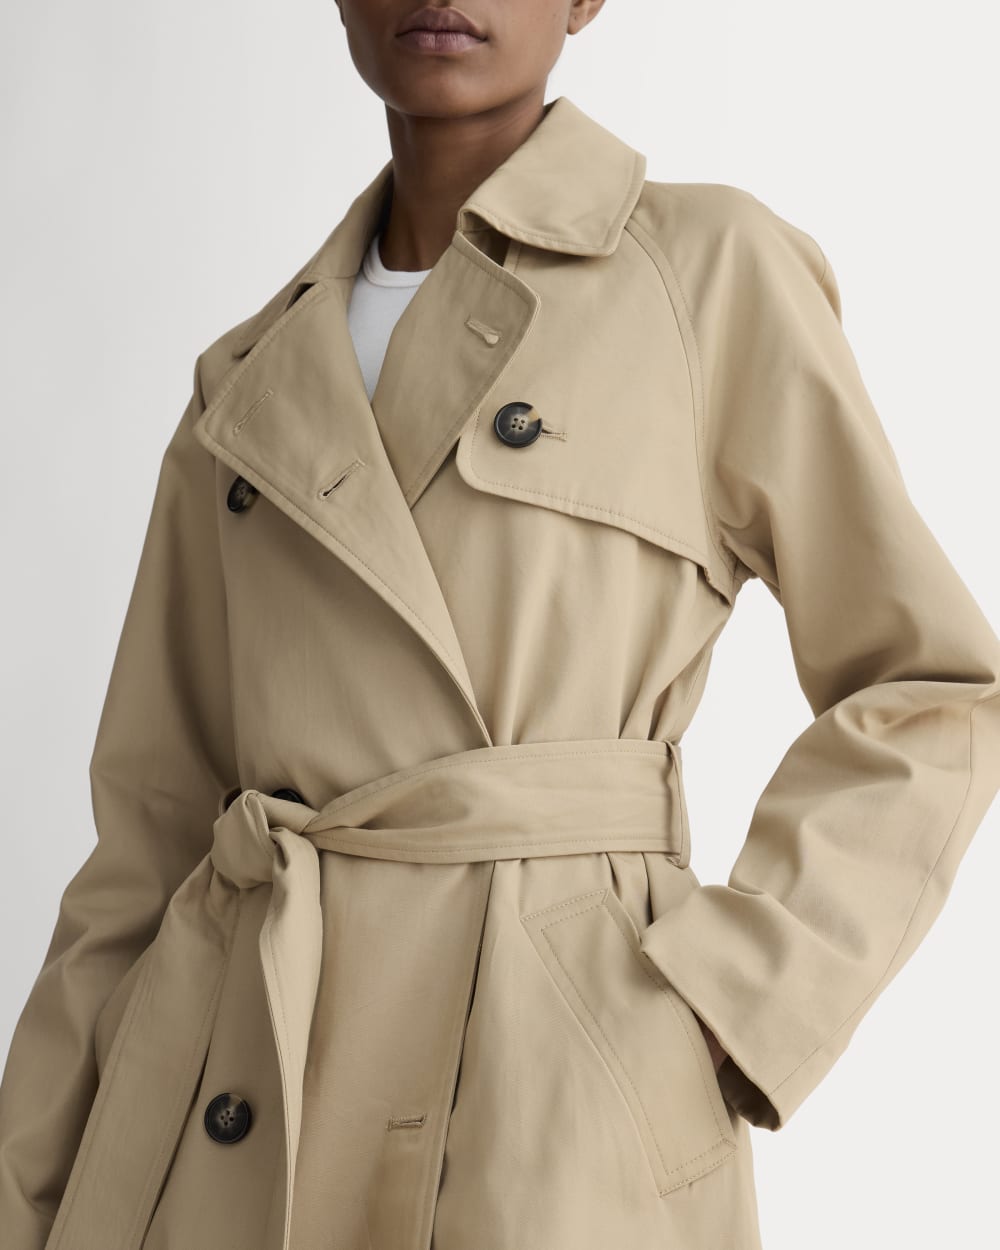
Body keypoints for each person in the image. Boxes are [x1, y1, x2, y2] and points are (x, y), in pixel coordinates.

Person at [2, 2, 999, 1248]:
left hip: (553, 1094)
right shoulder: (243, 380)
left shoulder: (703, 275)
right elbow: (146, 848)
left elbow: (930, 684)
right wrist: (25, 1194)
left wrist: (727, 998)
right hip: (251, 1091)